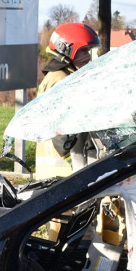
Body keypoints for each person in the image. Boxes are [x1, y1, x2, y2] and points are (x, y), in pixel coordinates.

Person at [34, 22, 101, 179]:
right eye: (83, 50)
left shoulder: (62, 76)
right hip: (62, 172)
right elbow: (59, 131)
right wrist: (77, 166)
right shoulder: (60, 81)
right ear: (66, 49)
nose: (88, 56)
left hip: (60, 173)